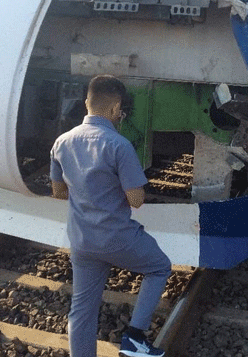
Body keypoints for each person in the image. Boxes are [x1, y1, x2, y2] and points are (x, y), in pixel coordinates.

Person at [50, 75, 171, 357]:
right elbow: (136, 201)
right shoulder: (119, 145)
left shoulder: (61, 142)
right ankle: (135, 337)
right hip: (117, 238)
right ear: (116, 108)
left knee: (82, 309)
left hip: (82, 240)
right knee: (159, 267)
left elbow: (58, 193)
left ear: (86, 104)